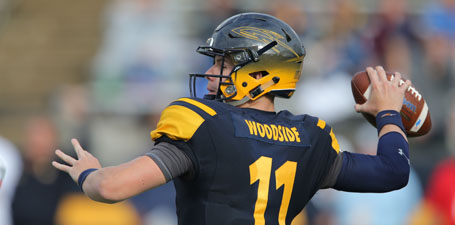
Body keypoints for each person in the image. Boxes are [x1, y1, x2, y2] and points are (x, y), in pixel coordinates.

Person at [52, 12, 412, 225]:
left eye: (224, 63)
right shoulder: (311, 137)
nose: (211, 71)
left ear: (259, 75)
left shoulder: (204, 125)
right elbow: (392, 171)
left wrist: (87, 172)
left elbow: (111, 187)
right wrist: (388, 114)